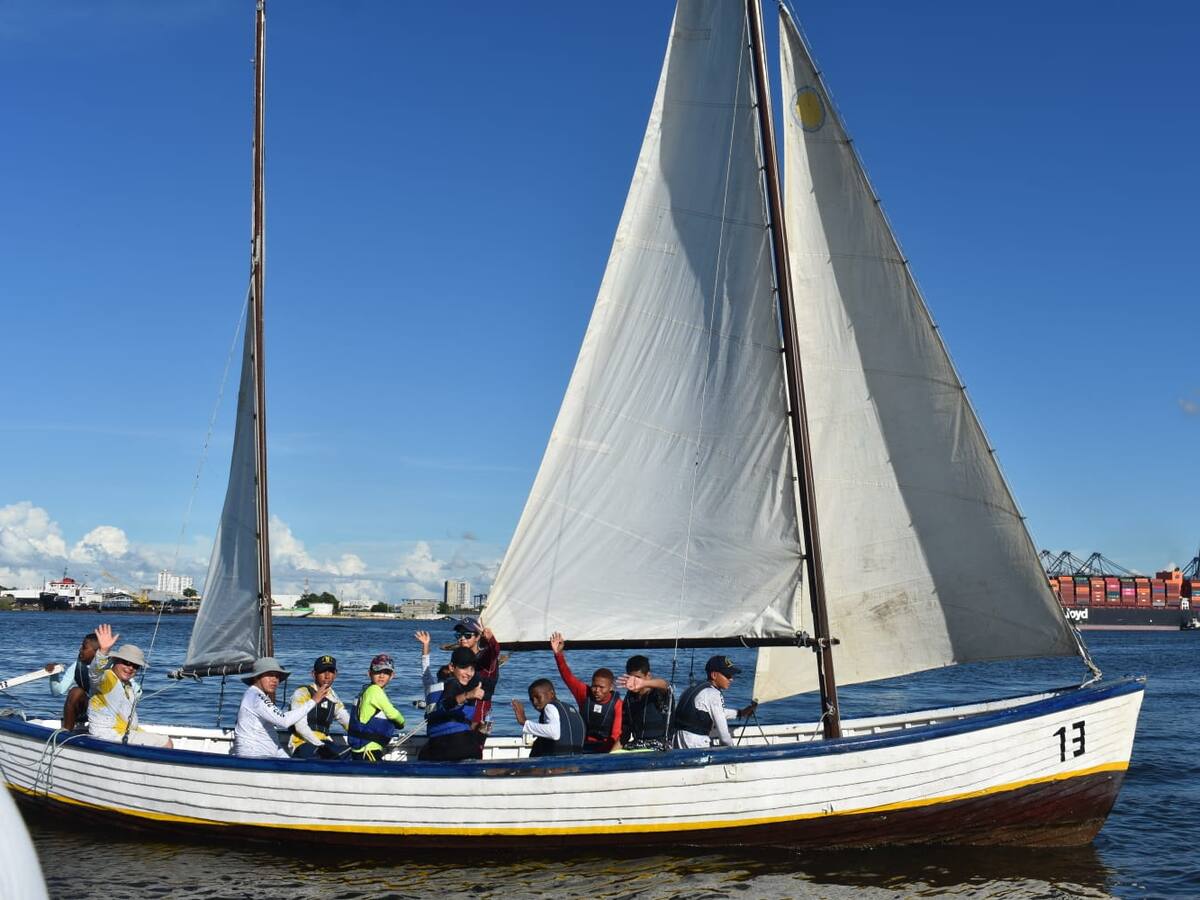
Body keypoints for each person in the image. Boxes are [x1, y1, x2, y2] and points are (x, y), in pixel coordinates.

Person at [86, 628, 173, 749]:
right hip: (108, 735)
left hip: (124, 733)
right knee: (166, 742)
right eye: (126, 662)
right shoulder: (107, 678)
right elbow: (95, 673)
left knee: (160, 738)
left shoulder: (128, 686)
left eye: (135, 665)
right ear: (115, 660)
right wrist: (103, 651)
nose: (131, 667)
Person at [233, 657, 325, 759]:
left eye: (277, 676)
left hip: (269, 753)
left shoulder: (256, 694)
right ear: (256, 677)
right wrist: (313, 701)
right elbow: (284, 721)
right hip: (254, 756)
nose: (275, 680)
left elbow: (278, 723)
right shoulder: (256, 697)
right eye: (270, 675)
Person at [549, 632, 621, 753]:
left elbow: (616, 734)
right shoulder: (584, 693)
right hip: (582, 745)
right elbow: (567, 677)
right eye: (594, 686)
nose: (597, 690)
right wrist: (558, 654)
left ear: (611, 688)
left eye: (601, 687)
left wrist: (605, 754)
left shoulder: (618, 704)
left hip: (605, 748)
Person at [671, 655, 757, 750]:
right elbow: (724, 737)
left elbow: (715, 712)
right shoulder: (713, 694)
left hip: (678, 740)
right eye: (727, 675)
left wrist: (741, 713)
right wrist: (732, 751)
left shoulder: (692, 688)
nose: (731, 679)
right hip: (696, 744)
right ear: (714, 675)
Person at [419, 647, 486, 762]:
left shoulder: (432, 688)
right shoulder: (454, 684)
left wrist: (425, 646)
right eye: (464, 667)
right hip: (459, 745)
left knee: (422, 756)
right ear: (452, 668)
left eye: (472, 669)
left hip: (435, 746)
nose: (469, 673)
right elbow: (446, 704)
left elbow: (425, 672)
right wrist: (467, 695)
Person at [288, 655, 350, 759]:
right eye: (322, 671)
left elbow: (346, 721)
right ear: (314, 674)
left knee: (354, 754)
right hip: (302, 744)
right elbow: (300, 727)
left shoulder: (333, 697)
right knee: (322, 756)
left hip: (324, 743)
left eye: (331, 671)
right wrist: (319, 745)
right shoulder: (302, 693)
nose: (327, 676)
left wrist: (365, 738)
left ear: (335, 674)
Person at [348, 654, 407, 763]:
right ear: (369, 674)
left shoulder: (366, 690)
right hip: (368, 749)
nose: (381, 676)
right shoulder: (375, 690)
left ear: (392, 675)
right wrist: (402, 723)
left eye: (386, 672)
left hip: (361, 749)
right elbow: (393, 714)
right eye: (377, 672)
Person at [511, 678, 584, 757]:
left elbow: (554, 733)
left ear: (551, 694)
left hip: (555, 762)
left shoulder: (549, 707)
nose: (535, 702)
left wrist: (524, 722)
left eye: (538, 697)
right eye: (532, 700)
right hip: (576, 761)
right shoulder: (572, 709)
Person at [453, 617, 500, 738]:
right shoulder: (459, 659)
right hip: (461, 715)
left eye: (467, 635)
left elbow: (494, 652)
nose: (462, 638)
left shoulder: (484, 659)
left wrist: (490, 639)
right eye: (459, 635)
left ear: (478, 637)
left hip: (479, 718)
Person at [617, 654, 674, 751]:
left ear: (648, 676)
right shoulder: (629, 698)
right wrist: (610, 755)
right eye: (631, 678)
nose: (634, 682)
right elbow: (625, 735)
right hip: (636, 745)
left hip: (659, 746)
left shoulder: (659, 693)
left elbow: (665, 685)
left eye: (638, 678)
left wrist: (643, 683)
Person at [46, 630, 99, 730]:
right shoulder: (77, 666)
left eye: (84, 647)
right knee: (76, 692)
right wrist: (54, 674)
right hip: (86, 710)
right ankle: (66, 732)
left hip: (106, 712)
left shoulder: (112, 666)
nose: (80, 650)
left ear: (97, 652)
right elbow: (57, 691)